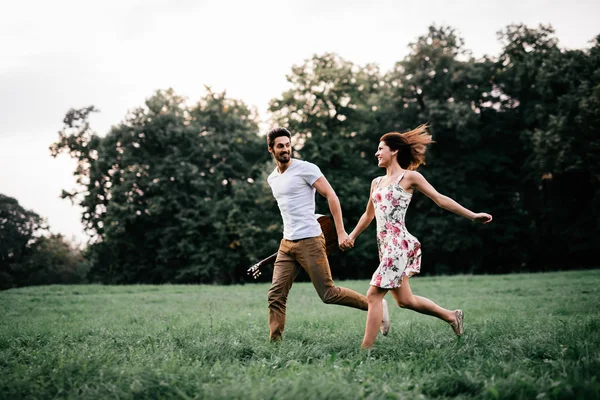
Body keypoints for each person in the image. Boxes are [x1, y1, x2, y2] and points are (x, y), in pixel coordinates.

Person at [343, 124, 492, 349]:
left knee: (373, 295)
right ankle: (452, 316)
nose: (376, 153)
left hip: (399, 245)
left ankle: (364, 352)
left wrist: (472, 216)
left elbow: (440, 199)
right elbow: (368, 214)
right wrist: (351, 236)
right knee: (405, 301)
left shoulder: (409, 177)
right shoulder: (376, 182)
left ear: (393, 151)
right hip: (385, 246)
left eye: (380, 148)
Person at [265, 127, 390, 341]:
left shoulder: (306, 169)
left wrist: (341, 233)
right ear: (271, 149)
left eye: (287, 145)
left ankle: (376, 305)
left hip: (310, 241)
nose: (285, 149)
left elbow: (331, 195)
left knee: (328, 294)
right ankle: (274, 345)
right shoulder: (272, 179)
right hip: (287, 244)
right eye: (280, 146)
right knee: (275, 295)